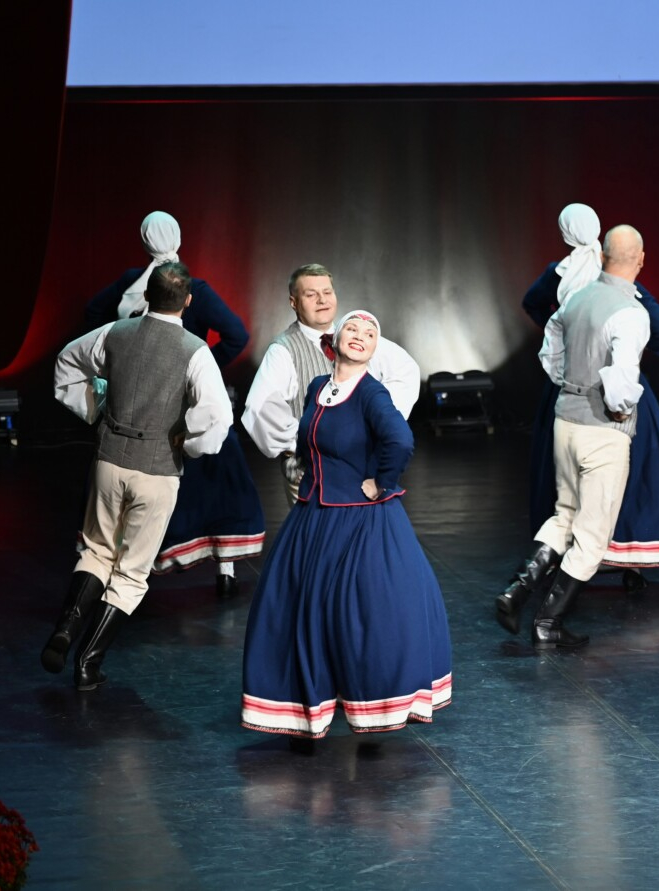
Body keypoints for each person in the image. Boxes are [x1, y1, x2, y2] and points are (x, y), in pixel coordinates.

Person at [240, 310, 452, 742]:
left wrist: (382, 482)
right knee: (298, 608)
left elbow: (401, 440)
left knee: (364, 612)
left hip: (361, 519)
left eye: (370, 332)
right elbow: (311, 439)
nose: (360, 336)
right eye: (351, 329)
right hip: (314, 516)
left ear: (376, 348)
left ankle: (372, 700)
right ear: (332, 342)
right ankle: (310, 701)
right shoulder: (320, 387)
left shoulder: (372, 394)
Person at [43, 262, 232, 690]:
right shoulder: (195, 350)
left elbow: (66, 366)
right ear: (187, 301)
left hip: (109, 460)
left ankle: (67, 627)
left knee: (95, 550)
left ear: (146, 295)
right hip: (157, 470)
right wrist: (191, 444)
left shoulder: (114, 333)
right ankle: (87, 663)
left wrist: (93, 410)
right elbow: (218, 417)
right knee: (131, 572)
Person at [82, 211, 264, 597]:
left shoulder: (133, 284)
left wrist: (115, 361)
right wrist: (204, 366)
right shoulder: (191, 285)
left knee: (136, 483)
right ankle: (224, 566)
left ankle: (126, 571)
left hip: (138, 403)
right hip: (187, 402)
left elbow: (93, 315)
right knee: (215, 480)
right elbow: (236, 333)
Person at [521, 204, 659, 587]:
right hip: (618, 395)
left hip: (567, 392)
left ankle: (544, 571)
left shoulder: (560, 276)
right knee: (625, 480)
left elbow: (536, 308)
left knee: (566, 490)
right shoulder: (623, 290)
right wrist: (627, 351)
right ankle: (626, 558)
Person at [494, 226, 650, 647]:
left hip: (566, 418)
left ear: (602, 257)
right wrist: (620, 406)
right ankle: (548, 623)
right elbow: (622, 374)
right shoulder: (630, 311)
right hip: (603, 429)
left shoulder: (578, 297)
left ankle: (518, 590)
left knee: (566, 513)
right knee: (593, 533)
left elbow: (552, 345)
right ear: (640, 260)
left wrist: (570, 383)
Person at [242, 264, 422, 507]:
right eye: (311, 294)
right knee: (316, 540)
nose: (322, 300)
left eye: (327, 292)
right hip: (311, 474)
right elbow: (259, 408)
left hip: (358, 471)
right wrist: (302, 442)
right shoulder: (284, 349)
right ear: (294, 303)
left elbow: (405, 370)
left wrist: (376, 426)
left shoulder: (354, 333)